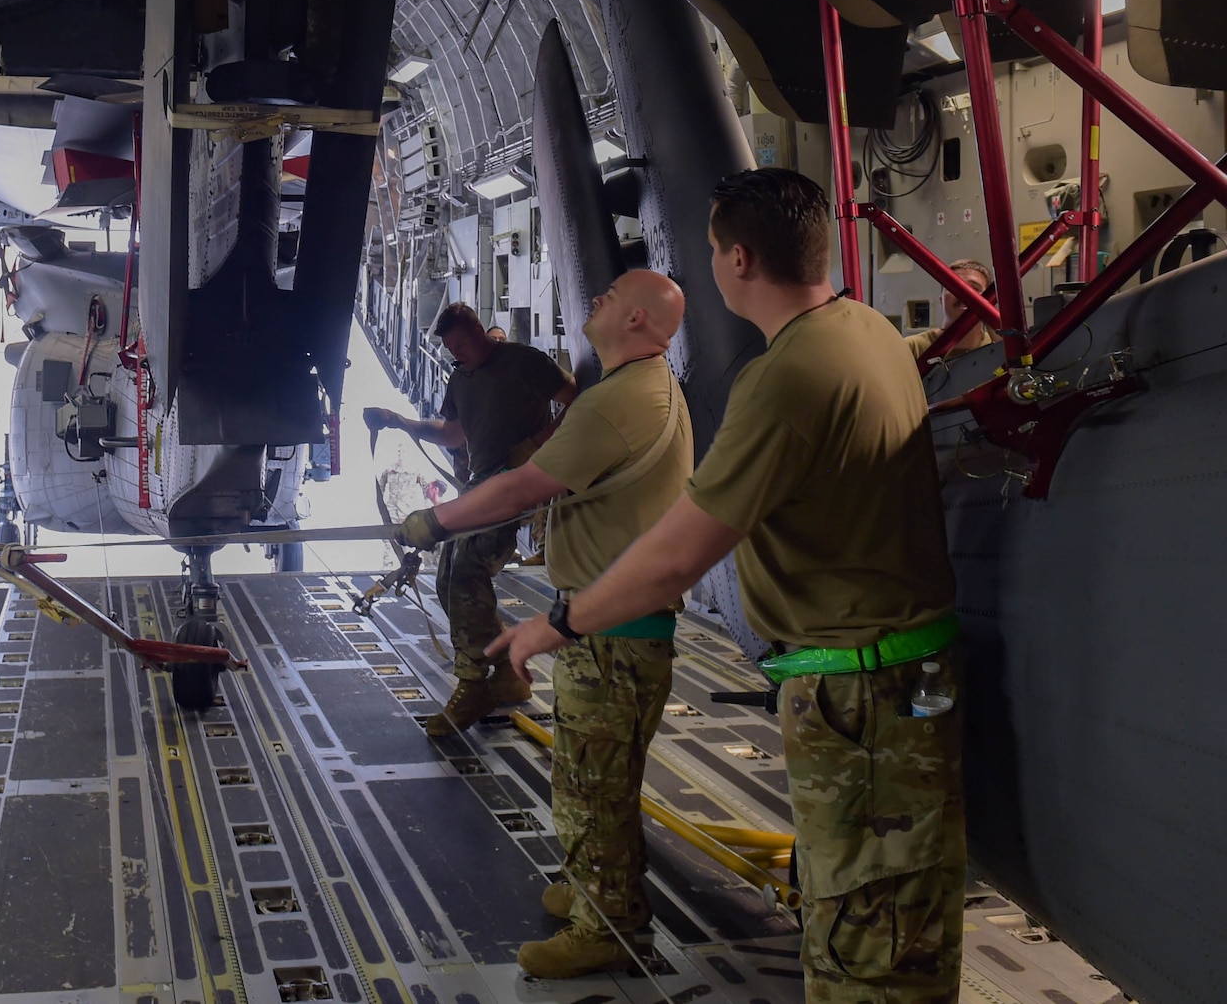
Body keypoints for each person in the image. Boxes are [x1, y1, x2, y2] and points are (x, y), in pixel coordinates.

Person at [490, 169, 963, 1001]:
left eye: (710, 248)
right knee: (892, 935)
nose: (710, 261)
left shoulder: (785, 377)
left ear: (738, 258)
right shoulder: (868, 330)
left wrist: (555, 623)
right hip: (898, 685)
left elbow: (679, 552)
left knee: (869, 961)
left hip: (858, 701)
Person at [397, 272, 691, 977]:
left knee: (588, 783)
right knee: (601, 778)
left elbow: (525, 485)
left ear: (641, 320)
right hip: (611, 624)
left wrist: (434, 520)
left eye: (613, 295)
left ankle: (606, 927)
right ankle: (602, 888)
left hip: (613, 632)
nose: (597, 299)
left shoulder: (615, 400)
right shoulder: (642, 387)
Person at [363, 302, 573, 735]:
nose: (457, 354)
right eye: (450, 348)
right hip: (481, 486)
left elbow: (576, 398)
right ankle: (507, 673)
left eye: (461, 344)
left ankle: (475, 683)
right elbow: (452, 433)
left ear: (479, 331)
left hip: (519, 483)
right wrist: (400, 421)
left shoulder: (524, 361)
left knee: (466, 572)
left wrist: (540, 446)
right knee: (447, 577)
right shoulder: (462, 378)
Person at [905, 257, 997, 360]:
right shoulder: (911, 348)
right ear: (941, 300)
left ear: (990, 300)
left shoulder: (999, 348)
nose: (964, 294)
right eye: (953, 287)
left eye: (974, 288)